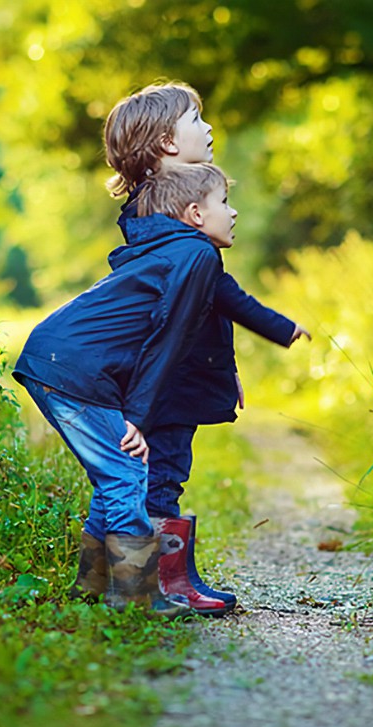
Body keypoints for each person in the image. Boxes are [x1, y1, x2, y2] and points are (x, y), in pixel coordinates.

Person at [89, 81, 311, 614]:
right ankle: (153, 587)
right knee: (159, 476)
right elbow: (206, 302)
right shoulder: (168, 225)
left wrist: (225, 367)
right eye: (196, 121)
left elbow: (205, 308)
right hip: (158, 378)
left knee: (155, 474)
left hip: (172, 374)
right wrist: (279, 329)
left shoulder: (166, 217)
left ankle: (107, 584)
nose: (208, 129)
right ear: (167, 142)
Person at [13, 162, 239, 618]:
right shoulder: (189, 255)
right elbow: (164, 342)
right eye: (225, 202)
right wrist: (136, 413)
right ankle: (136, 595)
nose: (233, 213)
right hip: (70, 371)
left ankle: (92, 586)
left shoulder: (170, 253)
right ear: (194, 212)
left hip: (59, 364)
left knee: (115, 474)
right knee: (125, 472)